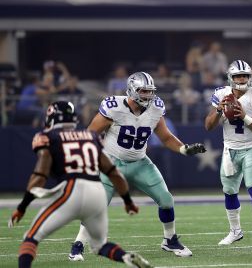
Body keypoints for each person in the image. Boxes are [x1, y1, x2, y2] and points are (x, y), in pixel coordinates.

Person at [32, 72, 206, 261]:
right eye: (143, 91)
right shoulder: (114, 107)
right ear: (132, 90)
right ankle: (78, 245)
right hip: (111, 162)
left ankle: (170, 240)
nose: (148, 95)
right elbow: (90, 134)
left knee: (166, 200)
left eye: (150, 91)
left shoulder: (156, 107)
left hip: (140, 162)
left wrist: (184, 149)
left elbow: (165, 137)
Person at [9, 101, 152, 268]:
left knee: (31, 238)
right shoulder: (90, 136)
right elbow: (114, 173)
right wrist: (128, 201)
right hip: (97, 194)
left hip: (71, 190)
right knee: (100, 246)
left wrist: (22, 207)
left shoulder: (47, 138)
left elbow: (40, 176)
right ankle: (127, 258)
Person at [204, 60, 252, 246]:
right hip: (229, 150)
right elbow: (208, 126)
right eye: (237, 76)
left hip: (250, 148)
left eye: (245, 76)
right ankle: (235, 231)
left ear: (250, 77)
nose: (241, 79)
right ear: (230, 78)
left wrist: (244, 116)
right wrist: (219, 110)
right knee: (229, 191)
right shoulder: (220, 94)